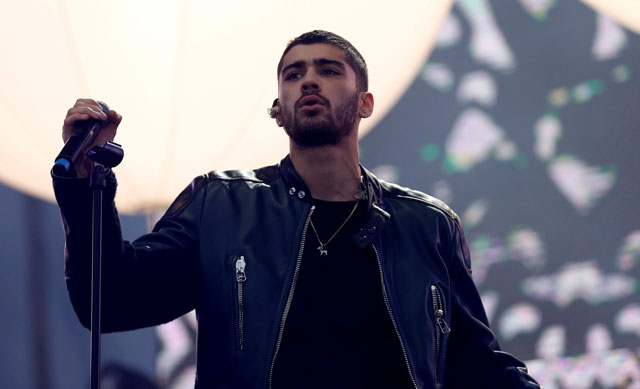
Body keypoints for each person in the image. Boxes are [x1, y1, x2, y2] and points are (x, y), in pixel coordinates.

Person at [53, 30, 540, 388]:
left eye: (328, 70)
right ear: (278, 107)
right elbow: (111, 300)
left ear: (365, 102)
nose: (309, 81)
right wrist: (82, 187)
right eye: (294, 74)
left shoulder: (426, 224)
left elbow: (477, 364)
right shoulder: (221, 205)